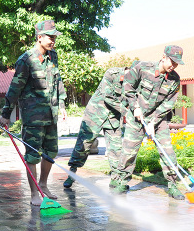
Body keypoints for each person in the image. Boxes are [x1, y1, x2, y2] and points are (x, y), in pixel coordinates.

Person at [0, 20, 67, 206]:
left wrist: (61, 105)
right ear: (39, 37)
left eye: (54, 37)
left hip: (50, 115)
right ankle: (34, 193)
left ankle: (43, 184)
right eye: (50, 36)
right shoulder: (26, 60)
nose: (53, 40)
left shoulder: (53, 56)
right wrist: (6, 113)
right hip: (33, 117)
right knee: (32, 155)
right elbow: (14, 88)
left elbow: (58, 80)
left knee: (51, 152)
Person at [111, 45, 186, 200]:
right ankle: (122, 182)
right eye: (172, 61)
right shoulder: (143, 68)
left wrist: (154, 121)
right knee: (129, 151)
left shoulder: (175, 80)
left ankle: (172, 185)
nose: (173, 65)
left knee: (167, 151)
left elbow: (168, 104)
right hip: (136, 116)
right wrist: (135, 106)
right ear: (163, 57)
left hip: (158, 119)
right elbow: (128, 86)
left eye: (177, 63)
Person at [63, 64, 136, 189]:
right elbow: (108, 96)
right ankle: (72, 174)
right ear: (127, 70)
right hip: (95, 114)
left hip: (113, 118)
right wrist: (127, 113)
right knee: (83, 144)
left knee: (116, 148)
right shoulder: (112, 73)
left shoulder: (135, 83)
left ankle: (116, 179)